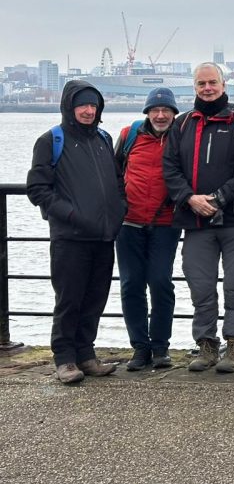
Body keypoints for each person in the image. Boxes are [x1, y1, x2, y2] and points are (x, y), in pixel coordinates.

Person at [26, 80, 127, 384]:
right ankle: (65, 359)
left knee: (96, 298)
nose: (88, 110)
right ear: (69, 107)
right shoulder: (51, 140)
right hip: (70, 238)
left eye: (93, 105)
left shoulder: (104, 139)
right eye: (82, 105)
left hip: (104, 236)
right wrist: (71, 215)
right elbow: (38, 189)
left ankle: (86, 354)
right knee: (69, 299)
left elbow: (117, 181)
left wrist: (120, 208)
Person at [162, 62, 234, 373]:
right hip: (195, 221)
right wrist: (190, 198)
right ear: (194, 87)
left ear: (223, 84)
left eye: (212, 82)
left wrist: (218, 199)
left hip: (232, 220)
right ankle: (205, 344)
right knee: (200, 286)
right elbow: (170, 168)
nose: (207, 88)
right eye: (201, 83)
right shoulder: (183, 123)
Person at [114, 87, 182, 371]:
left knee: (160, 283)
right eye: (155, 110)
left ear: (174, 114)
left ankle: (160, 347)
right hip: (129, 223)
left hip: (165, 224)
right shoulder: (129, 135)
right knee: (131, 285)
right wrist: (118, 206)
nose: (161, 114)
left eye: (166, 110)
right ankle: (140, 348)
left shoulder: (181, 137)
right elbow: (114, 173)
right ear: (147, 113)